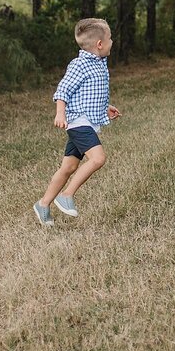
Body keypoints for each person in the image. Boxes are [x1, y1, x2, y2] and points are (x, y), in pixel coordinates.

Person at [33, 18, 121, 227]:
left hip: (87, 120)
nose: (112, 42)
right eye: (109, 38)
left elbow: (91, 92)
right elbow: (63, 90)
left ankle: (43, 204)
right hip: (78, 122)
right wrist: (60, 113)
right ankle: (66, 195)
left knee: (69, 167)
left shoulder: (99, 63)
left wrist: (104, 107)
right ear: (100, 44)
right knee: (98, 159)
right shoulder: (79, 64)